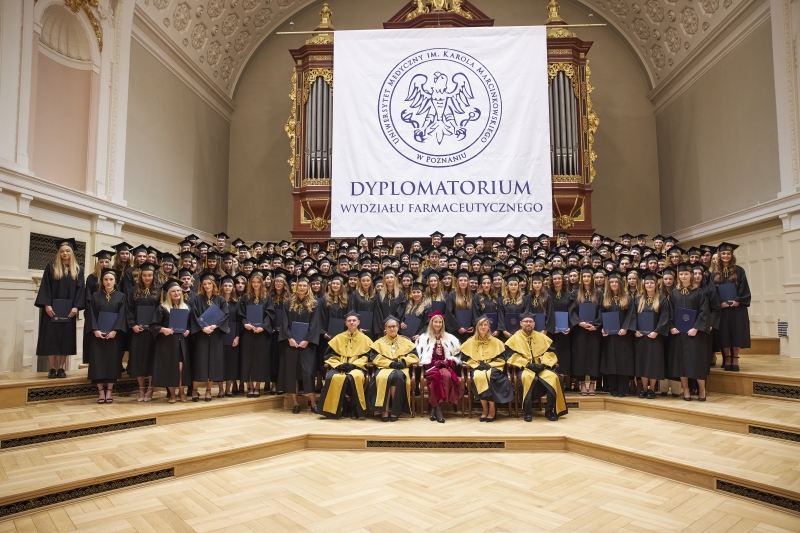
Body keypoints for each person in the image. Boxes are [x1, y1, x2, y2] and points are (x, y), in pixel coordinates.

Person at [35, 238, 85, 378]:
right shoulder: (51, 267)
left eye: (67, 251)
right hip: (52, 310)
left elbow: (81, 290)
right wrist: (47, 304)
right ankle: (52, 368)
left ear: (72, 252)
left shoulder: (78, 269)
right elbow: (45, 286)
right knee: (52, 339)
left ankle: (61, 368)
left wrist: (76, 307)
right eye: (62, 251)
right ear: (58, 253)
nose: (65, 253)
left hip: (68, 311)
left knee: (65, 340)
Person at [505, 311, 567, 422]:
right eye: (526, 321)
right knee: (525, 378)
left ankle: (549, 410)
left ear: (534, 324)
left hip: (542, 367)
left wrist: (543, 364)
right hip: (525, 368)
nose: (528, 324)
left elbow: (551, 353)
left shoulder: (542, 337)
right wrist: (527, 364)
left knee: (554, 378)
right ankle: (527, 412)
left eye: (530, 321)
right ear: (521, 323)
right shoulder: (514, 339)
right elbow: (511, 356)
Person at [278, 275, 322, 413]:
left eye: (304, 285)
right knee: (292, 373)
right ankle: (295, 403)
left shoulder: (314, 304)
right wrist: (289, 338)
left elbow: (315, 325)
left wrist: (306, 340)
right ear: (295, 287)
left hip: (307, 345)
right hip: (290, 344)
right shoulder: (288, 303)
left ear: (308, 287)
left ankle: (313, 403)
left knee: (308, 373)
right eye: (299, 285)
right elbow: (284, 323)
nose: (302, 288)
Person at [317, 311, 371, 419]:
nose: (352, 322)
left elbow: (368, 356)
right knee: (333, 377)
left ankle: (355, 409)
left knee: (355, 376)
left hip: (356, 368)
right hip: (339, 366)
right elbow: (329, 356)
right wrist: (338, 365)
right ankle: (336, 410)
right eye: (349, 321)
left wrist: (354, 365)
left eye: (354, 320)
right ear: (345, 323)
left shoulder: (366, 339)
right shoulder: (338, 338)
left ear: (358, 322)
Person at [84, 268, 127, 404]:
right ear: (102, 281)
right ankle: (100, 392)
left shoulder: (121, 296)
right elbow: (91, 315)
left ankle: (109, 390)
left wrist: (115, 330)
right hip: (98, 335)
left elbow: (122, 315)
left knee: (112, 362)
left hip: (114, 336)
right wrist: (95, 330)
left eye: (111, 279)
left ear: (115, 281)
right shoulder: (95, 296)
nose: (108, 282)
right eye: (106, 279)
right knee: (97, 362)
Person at [460, 315, 513, 422]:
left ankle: (492, 408)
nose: (483, 327)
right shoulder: (470, 342)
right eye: (481, 325)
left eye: (486, 325)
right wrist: (476, 365)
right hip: (477, 367)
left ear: (489, 327)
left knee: (490, 375)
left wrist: (490, 365)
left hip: (493, 367)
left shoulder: (496, 342)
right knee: (477, 376)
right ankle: (485, 408)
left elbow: (502, 359)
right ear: (477, 327)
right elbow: (464, 358)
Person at [670, 263, 711, 401]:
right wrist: (671, 326)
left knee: (697, 362)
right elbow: (669, 312)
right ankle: (686, 390)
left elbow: (704, 312)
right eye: (681, 274)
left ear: (691, 275)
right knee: (682, 363)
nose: (683, 276)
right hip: (680, 333)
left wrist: (696, 328)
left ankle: (702, 389)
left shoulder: (699, 292)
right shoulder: (674, 293)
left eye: (686, 274)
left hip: (695, 334)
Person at [366, 315, 419, 422]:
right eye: (389, 327)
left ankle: (395, 411)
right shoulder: (379, 342)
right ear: (385, 328)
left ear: (398, 327)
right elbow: (375, 358)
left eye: (394, 326)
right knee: (383, 378)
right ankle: (384, 411)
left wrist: (404, 362)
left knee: (398, 376)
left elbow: (414, 356)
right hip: (384, 368)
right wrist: (390, 364)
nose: (392, 328)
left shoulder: (406, 342)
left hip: (401, 368)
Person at [415, 310, 462, 423]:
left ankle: (434, 408)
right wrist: (432, 363)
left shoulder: (450, 338)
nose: (437, 324)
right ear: (431, 323)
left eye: (440, 322)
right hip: (431, 367)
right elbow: (420, 357)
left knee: (446, 376)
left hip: (445, 366)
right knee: (436, 376)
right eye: (435, 322)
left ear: (442, 324)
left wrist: (448, 361)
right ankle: (438, 409)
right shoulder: (423, 338)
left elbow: (458, 354)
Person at [190, 273, 229, 401]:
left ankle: (208, 391)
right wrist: (203, 328)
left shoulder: (221, 300)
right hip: (201, 335)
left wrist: (214, 326)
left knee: (213, 363)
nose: (207, 286)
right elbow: (194, 315)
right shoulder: (197, 298)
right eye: (204, 284)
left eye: (209, 284)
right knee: (199, 362)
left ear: (214, 285)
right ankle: (194, 390)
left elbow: (225, 316)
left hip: (215, 335)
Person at [712, 242, 751, 371]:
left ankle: (735, 358)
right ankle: (727, 358)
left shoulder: (739, 270)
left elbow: (744, 288)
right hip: (722, 309)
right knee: (724, 333)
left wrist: (738, 300)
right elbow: (712, 292)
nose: (726, 256)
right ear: (719, 255)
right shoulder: (714, 273)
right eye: (723, 253)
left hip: (737, 308)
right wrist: (718, 303)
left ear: (731, 255)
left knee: (737, 332)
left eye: (728, 253)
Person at [633, 272, 671, 398]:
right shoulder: (638, 300)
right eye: (647, 283)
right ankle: (644, 388)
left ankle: (652, 389)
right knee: (642, 363)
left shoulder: (662, 300)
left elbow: (664, 318)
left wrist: (656, 331)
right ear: (644, 285)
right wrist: (635, 330)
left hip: (655, 338)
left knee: (653, 363)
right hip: (641, 338)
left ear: (656, 284)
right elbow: (633, 317)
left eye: (652, 283)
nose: (649, 284)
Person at [238, 269, 275, 397]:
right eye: (253, 282)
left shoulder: (267, 298)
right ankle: (250, 386)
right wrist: (245, 324)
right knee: (247, 359)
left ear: (262, 283)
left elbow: (269, 314)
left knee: (260, 360)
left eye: (258, 282)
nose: (255, 284)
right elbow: (241, 314)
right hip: (248, 333)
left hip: (261, 333)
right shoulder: (245, 297)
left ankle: (258, 386)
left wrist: (263, 327)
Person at [126, 262, 159, 401]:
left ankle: (150, 389)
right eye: (144, 275)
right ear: (140, 276)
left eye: (150, 275)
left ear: (154, 276)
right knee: (138, 359)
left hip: (153, 333)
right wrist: (132, 324)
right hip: (138, 332)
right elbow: (129, 309)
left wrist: (156, 326)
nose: (147, 278)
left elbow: (161, 311)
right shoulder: (133, 291)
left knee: (151, 360)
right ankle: (141, 390)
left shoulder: (159, 292)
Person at [600, 271, 636, 397]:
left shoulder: (627, 298)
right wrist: (603, 328)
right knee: (611, 361)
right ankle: (613, 388)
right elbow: (601, 314)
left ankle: (622, 389)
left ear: (620, 283)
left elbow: (631, 315)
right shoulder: (605, 298)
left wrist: (625, 328)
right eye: (611, 282)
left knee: (623, 362)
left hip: (623, 336)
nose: (614, 284)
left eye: (616, 282)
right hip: (609, 336)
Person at [570, 267, 602, 396]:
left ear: (592, 278)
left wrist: (597, 325)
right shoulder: (576, 293)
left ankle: (592, 384)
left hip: (594, 331)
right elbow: (571, 311)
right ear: (581, 279)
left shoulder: (599, 293)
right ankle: (582, 384)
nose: (587, 279)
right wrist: (579, 323)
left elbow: (602, 310)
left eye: (589, 276)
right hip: (580, 331)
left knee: (594, 356)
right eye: (584, 277)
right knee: (580, 357)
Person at [83, 250, 113, 364]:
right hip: (95, 314)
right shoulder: (92, 278)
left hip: (109, 315)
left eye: (106, 262)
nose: (104, 264)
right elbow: (88, 298)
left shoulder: (113, 277)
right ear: (98, 263)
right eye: (101, 262)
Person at [547, 268, 573, 388]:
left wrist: (569, 326)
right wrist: (550, 327)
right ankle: (551, 380)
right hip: (550, 331)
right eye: (555, 279)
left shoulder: (569, 295)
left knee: (563, 354)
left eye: (559, 279)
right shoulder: (547, 294)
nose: (557, 281)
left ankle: (562, 382)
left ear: (563, 280)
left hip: (564, 331)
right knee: (551, 353)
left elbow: (572, 312)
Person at [219, 275, 241, 396]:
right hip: (219, 336)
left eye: (230, 285)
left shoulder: (236, 303)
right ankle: (221, 389)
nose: (227, 287)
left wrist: (237, 336)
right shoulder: (217, 302)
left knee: (231, 364)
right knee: (220, 363)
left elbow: (239, 322)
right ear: (222, 287)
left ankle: (228, 389)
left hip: (232, 336)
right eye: (225, 285)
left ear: (233, 287)